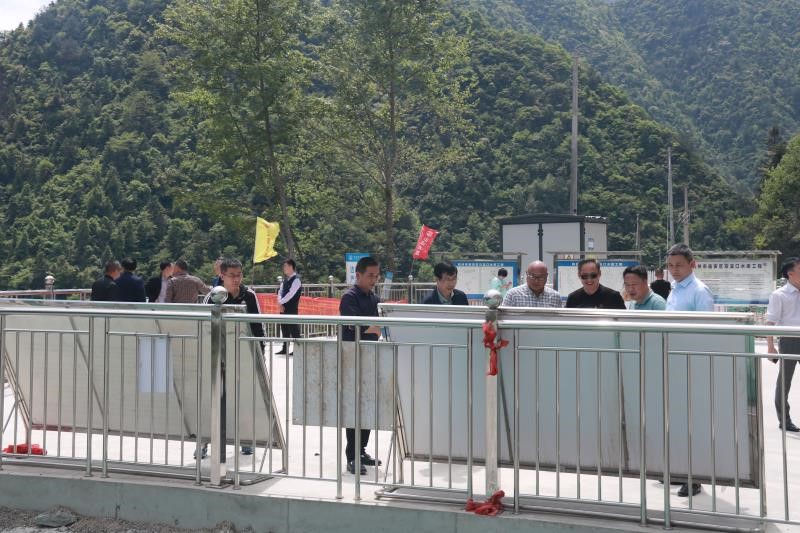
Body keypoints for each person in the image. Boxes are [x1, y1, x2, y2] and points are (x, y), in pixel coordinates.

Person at [196, 258, 265, 458]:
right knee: (211, 400)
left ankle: (245, 439)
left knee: (243, 399)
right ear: (222, 276)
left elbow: (258, 326)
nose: (236, 279)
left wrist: (260, 353)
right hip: (217, 355)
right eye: (232, 275)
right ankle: (203, 442)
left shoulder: (249, 296)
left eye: (239, 275)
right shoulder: (213, 297)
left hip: (244, 355)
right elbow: (203, 325)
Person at [664, 243, 714, 497]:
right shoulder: (675, 289)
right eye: (670, 265)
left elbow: (706, 332)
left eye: (679, 265)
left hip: (692, 363)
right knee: (678, 422)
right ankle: (681, 471)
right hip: (674, 361)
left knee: (694, 424)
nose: (674, 270)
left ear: (692, 264)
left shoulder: (699, 291)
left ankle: (695, 477)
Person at [339, 256, 382, 475]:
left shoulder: (374, 298)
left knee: (368, 405)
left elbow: (377, 327)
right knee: (354, 407)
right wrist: (370, 329)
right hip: (352, 358)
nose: (374, 279)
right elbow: (352, 326)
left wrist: (371, 329)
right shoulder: (349, 297)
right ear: (358, 275)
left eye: (376, 276)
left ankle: (362, 450)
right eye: (370, 275)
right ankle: (352, 456)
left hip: (370, 355)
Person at [766, 257, 800, 433]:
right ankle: (784, 420)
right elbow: (770, 322)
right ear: (790, 274)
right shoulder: (779, 295)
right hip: (789, 340)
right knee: (785, 382)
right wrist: (770, 347)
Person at [276, 259, 302, 355]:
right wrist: (280, 303)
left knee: (294, 328)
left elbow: (291, 294)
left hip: (291, 308)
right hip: (283, 307)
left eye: (285, 266)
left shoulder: (296, 280)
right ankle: (285, 348)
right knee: (284, 328)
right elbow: (280, 292)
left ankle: (298, 349)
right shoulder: (285, 280)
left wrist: (281, 302)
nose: (284, 268)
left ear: (291, 267)